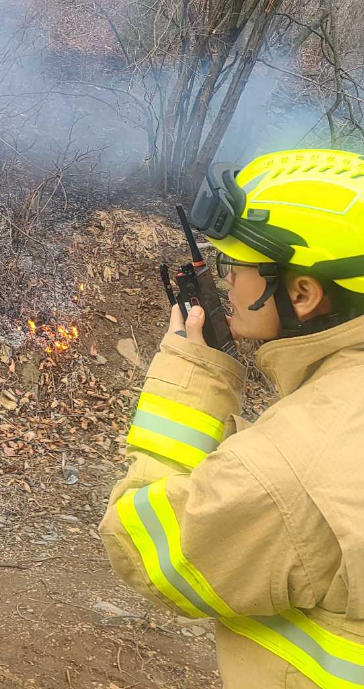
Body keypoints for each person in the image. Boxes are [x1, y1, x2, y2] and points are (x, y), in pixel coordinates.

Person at [101, 148, 364, 688]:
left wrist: (191, 376)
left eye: (234, 267)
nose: (224, 283)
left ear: (302, 293)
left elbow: (150, 553)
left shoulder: (290, 466)